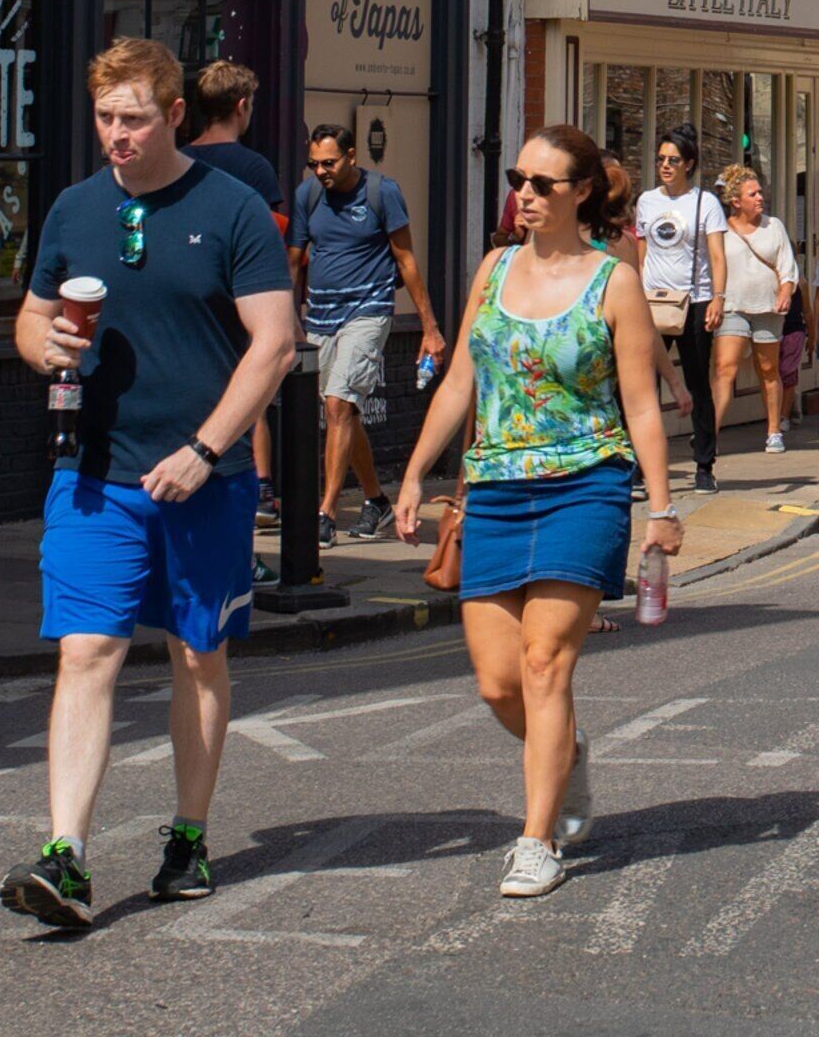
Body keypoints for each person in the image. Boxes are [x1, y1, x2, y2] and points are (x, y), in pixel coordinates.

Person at [0, 40, 297, 928]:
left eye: (133, 118)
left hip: (204, 478)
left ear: (174, 114)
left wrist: (206, 449)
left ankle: (190, 836)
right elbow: (32, 313)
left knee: (198, 656)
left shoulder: (234, 209)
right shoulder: (73, 209)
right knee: (85, 652)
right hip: (92, 474)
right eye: (104, 118)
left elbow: (273, 344)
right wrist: (42, 345)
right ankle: (68, 855)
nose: (116, 136)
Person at [392, 124, 684, 901]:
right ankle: (569, 756)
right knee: (496, 684)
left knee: (545, 661)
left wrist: (661, 506)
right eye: (519, 179)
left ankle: (536, 840)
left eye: (541, 184)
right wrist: (417, 472)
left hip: (584, 486)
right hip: (492, 489)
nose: (524, 194)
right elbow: (460, 381)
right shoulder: (492, 269)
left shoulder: (611, 281)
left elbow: (640, 405)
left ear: (581, 193)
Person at [291, 124, 438, 540]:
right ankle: (376, 501)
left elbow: (405, 259)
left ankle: (326, 513)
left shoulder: (381, 193)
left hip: (368, 311)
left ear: (352, 156)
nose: (321, 171)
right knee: (344, 412)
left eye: (329, 163)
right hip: (319, 316)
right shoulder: (308, 196)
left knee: (339, 404)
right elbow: (293, 259)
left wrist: (429, 325)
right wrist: (286, 321)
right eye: (314, 164)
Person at [630, 130, 730, 490]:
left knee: (698, 383)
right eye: (660, 159)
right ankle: (639, 467)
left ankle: (704, 465)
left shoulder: (705, 203)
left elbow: (717, 256)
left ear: (689, 164)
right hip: (653, 303)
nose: (665, 166)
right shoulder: (646, 202)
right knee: (644, 386)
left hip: (695, 301)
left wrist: (718, 298)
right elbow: (642, 255)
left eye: (673, 160)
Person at [710, 167, 800, 453]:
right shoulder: (721, 229)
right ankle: (708, 431)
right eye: (753, 193)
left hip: (767, 307)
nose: (760, 197)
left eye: (760, 192)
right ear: (736, 201)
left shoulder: (774, 226)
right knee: (725, 368)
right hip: (733, 306)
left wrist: (786, 291)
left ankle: (774, 430)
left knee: (768, 368)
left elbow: (787, 266)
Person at [180, 62, 286, 217]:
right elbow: (265, 233)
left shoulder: (178, 160)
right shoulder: (255, 168)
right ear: (241, 106)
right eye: (251, 104)